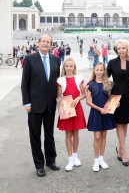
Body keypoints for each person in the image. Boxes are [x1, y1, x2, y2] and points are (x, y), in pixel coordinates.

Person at [21, 34, 60, 177]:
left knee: (49, 134)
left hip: (50, 104)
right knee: (35, 135)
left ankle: (51, 160)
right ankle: (39, 164)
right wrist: (27, 102)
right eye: (43, 41)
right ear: (38, 43)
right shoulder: (30, 59)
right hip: (34, 105)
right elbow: (25, 82)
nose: (45, 43)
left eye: (48, 42)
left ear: (51, 45)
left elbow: (57, 81)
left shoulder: (56, 59)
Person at [107, 39, 129, 167]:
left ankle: (119, 147)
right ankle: (124, 152)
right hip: (116, 97)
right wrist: (90, 84)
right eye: (119, 48)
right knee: (119, 123)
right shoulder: (112, 63)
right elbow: (104, 78)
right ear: (116, 50)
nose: (121, 50)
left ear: (127, 48)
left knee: (125, 124)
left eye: (123, 48)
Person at [57, 57, 86, 171]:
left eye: (71, 66)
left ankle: (75, 156)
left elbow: (83, 94)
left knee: (76, 133)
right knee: (68, 134)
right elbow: (59, 96)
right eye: (67, 66)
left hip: (76, 107)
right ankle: (70, 159)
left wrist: (77, 99)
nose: (69, 68)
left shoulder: (79, 78)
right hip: (66, 108)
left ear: (74, 67)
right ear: (64, 67)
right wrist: (64, 106)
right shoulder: (60, 80)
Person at [86, 62, 116, 172]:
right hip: (96, 113)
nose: (99, 72)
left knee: (103, 136)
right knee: (97, 137)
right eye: (97, 70)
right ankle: (96, 160)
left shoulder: (108, 83)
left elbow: (111, 98)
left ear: (104, 71)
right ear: (94, 71)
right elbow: (88, 101)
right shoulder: (90, 84)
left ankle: (101, 159)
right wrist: (99, 109)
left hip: (106, 113)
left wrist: (114, 103)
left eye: (101, 70)